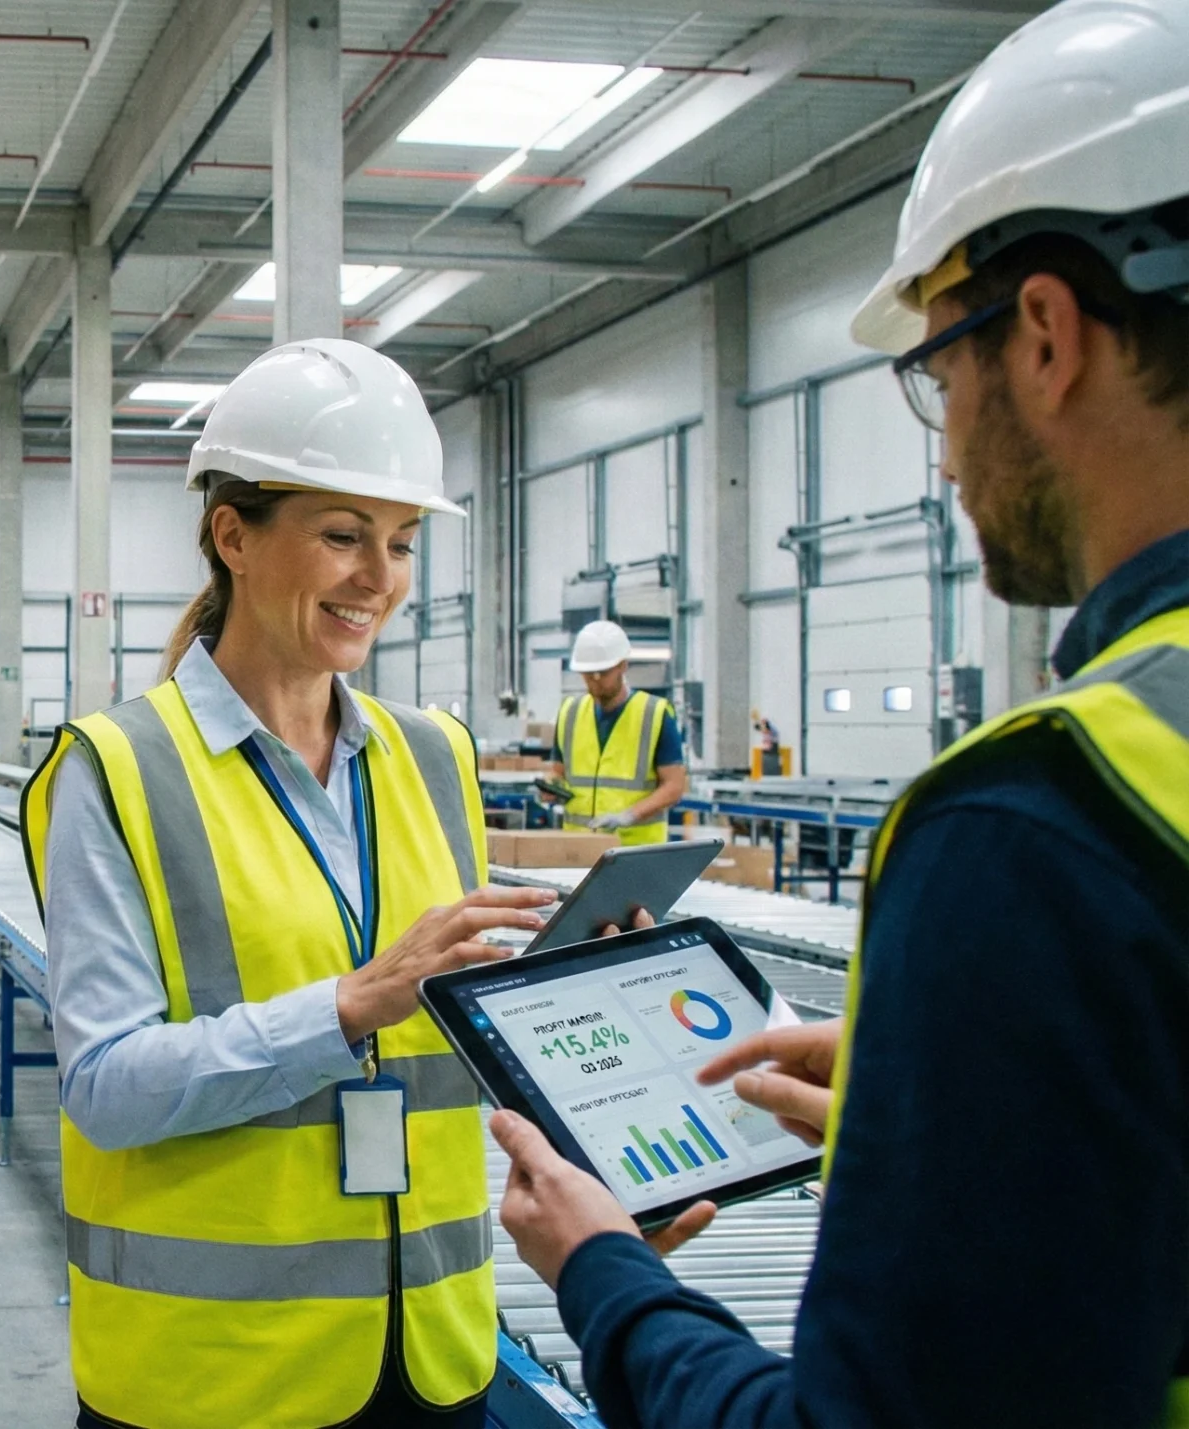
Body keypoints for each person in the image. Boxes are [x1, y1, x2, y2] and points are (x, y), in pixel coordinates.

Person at [492, 5, 1189, 1424]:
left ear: (1044, 335)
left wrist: (611, 1277)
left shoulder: (1042, 820)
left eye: (940, 372)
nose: (941, 459)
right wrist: (938, 1102)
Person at [20, 339, 559, 1429]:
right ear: (233, 536)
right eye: (342, 536)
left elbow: (456, 1023)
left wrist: (583, 983)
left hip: (433, 1358)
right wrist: (351, 1004)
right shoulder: (118, 770)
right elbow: (107, 1086)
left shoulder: (435, 755)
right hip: (215, 1376)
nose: (381, 578)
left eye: (401, 544)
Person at [549, 620, 687, 843]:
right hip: (579, 849)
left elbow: (674, 785)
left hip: (635, 851)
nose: (595, 682)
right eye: (588, 674)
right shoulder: (570, 713)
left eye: (602, 673)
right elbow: (558, 772)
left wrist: (628, 816)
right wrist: (551, 788)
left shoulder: (654, 714)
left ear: (623, 666)